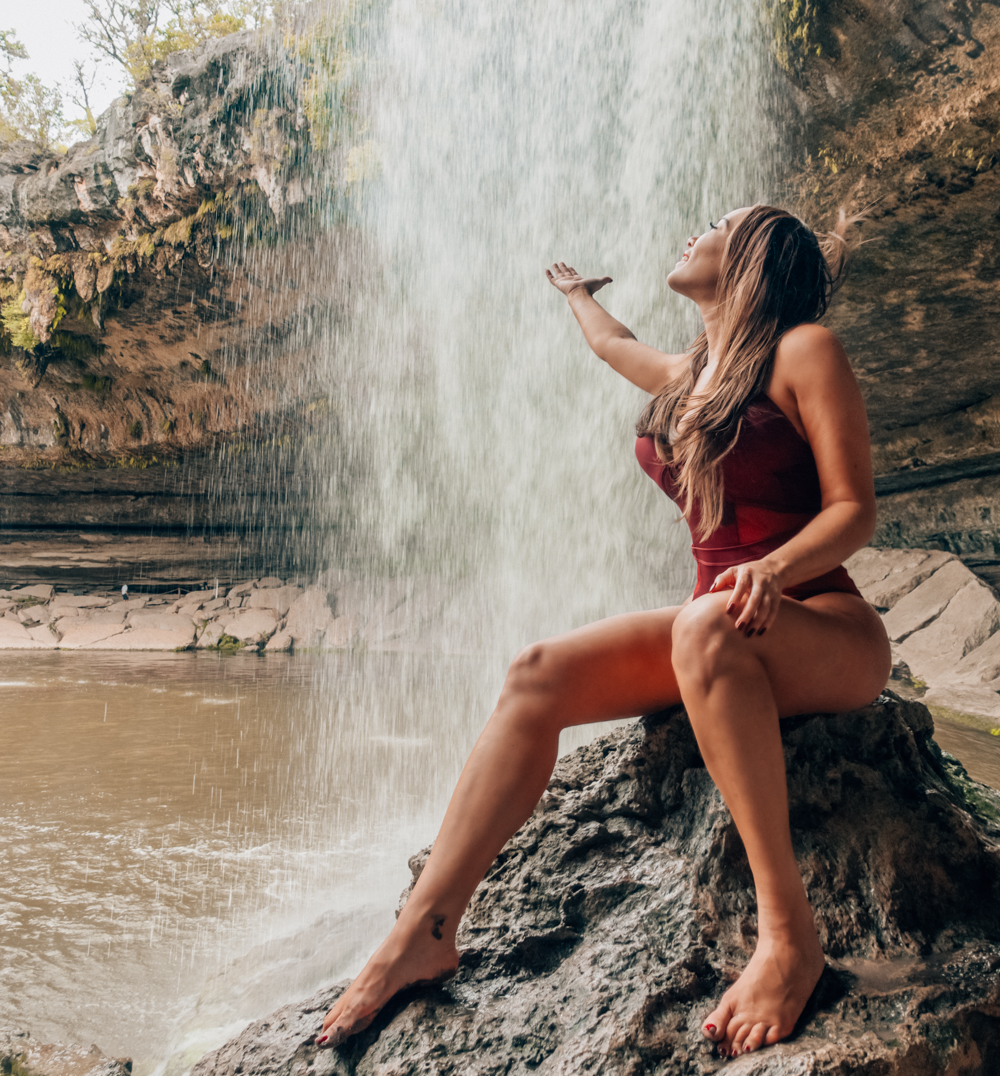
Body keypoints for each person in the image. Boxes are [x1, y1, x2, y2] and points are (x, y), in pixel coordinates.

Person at [316, 204, 890, 1058]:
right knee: (537, 672)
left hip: (821, 625)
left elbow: (853, 510)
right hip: (719, 629)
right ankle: (423, 932)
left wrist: (773, 570)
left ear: (757, 257)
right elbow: (612, 345)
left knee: (703, 626)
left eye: (719, 223)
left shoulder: (805, 349)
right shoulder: (692, 372)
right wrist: (576, 295)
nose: (695, 230)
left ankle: (788, 937)